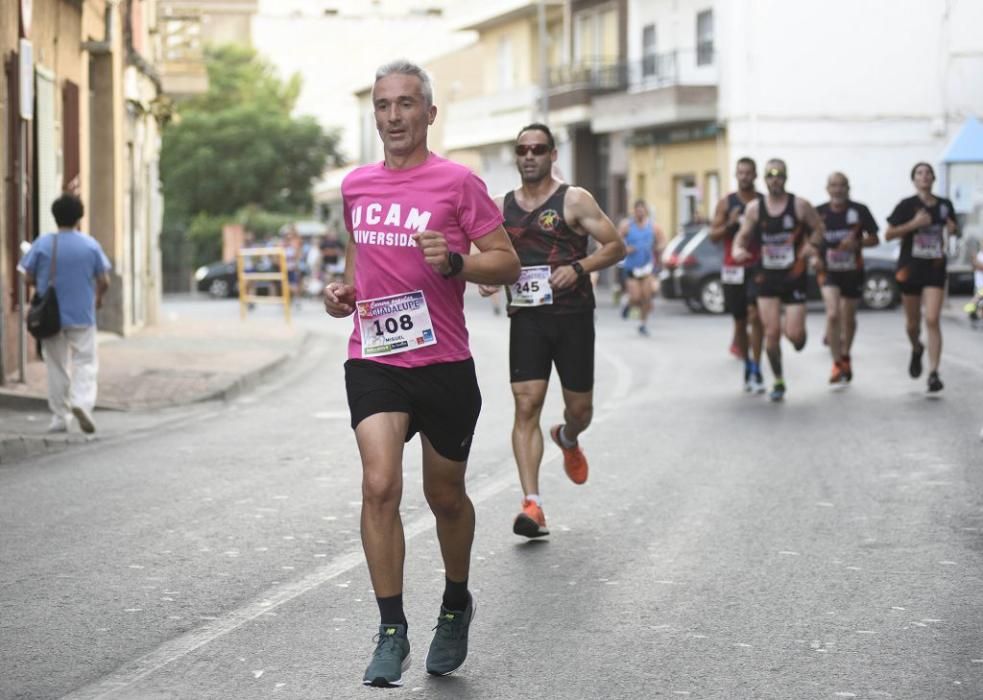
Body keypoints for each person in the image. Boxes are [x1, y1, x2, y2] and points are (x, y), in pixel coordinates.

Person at [322, 59, 519, 688]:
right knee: (380, 486)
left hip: (444, 366)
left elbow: (508, 264)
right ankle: (390, 629)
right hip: (375, 356)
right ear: (374, 115)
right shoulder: (356, 186)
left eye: (407, 104)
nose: (394, 116)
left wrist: (458, 262)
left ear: (428, 113)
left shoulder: (459, 183)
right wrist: (342, 293)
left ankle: (456, 603)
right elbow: (357, 263)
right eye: (383, 105)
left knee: (445, 498)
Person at [478, 122, 625, 539]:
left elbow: (615, 246)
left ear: (552, 154)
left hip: (573, 317)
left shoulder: (574, 199)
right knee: (526, 406)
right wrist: (486, 275)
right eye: (522, 148)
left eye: (538, 148)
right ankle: (532, 505)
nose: (529, 155)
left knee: (581, 411)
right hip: (527, 317)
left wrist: (578, 267)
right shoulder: (499, 206)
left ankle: (567, 436)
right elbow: (481, 250)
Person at [732, 159, 825, 401]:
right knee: (771, 334)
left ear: (785, 178)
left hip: (793, 275)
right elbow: (741, 238)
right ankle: (779, 380)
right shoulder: (754, 208)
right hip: (766, 277)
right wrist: (738, 250)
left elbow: (819, 228)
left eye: (779, 175)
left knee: (794, 336)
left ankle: (797, 335)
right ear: (764, 179)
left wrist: (812, 245)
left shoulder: (800, 205)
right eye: (770, 175)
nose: (775, 179)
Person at [19, 194, 111, 434]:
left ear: (55, 216)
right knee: (86, 362)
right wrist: (97, 298)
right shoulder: (90, 245)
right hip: (82, 313)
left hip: (51, 316)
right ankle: (82, 402)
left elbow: (28, 276)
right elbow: (104, 280)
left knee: (56, 365)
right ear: (79, 217)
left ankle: (60, 416)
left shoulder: (43, 243)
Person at [884, 162, 959, 394]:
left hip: (935, 267)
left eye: (928, 173)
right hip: (910, 269)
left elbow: (954, 229)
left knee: (933, 319)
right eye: (919, 173)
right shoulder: (906, 205)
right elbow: (888, 234)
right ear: (914, 180)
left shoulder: (945, 205)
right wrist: (914, 224)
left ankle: (933, 373)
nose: (924, 176)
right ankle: (917, 348)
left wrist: (952, 229)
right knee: (912, 324)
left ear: (933, 178)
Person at [815, 172, 880, 385]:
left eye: (842, 185)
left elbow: (875, 238)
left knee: (848, 318)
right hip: (828, 271)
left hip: (853, 270)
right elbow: (809, 242)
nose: (837, 189)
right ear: (827, 188)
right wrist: (813, 258)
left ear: (848, 188)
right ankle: (836, 363)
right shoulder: (819, 213)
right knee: (833, 314)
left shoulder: (859, 211)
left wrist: (858, 244)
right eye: (833, 185)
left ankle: (846, 355)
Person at [710, 157, 765, 393]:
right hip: (733, 268)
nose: (744, 176)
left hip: (758, 266)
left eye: (748, 173)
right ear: (736, 174)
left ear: (755, 175)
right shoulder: (726, 203)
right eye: (740, 172)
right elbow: (713, 236)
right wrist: (730, 224)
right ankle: (747, 365)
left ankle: (757, 366)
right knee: (740, 321)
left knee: (756, 316)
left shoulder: (764, 202)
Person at [618, 200, 656, 335]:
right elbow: (617, 241)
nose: (640, 212)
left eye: (642, 210)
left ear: (646, 211)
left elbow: (662, 241)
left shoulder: (652, 226)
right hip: (631, 267)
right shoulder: (627, 226)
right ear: (634, 211)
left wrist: (658, 248)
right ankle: (627, 303)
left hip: (646, 267)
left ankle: (643, 324)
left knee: (647, 297)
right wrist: (626, 249)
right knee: (636, 298)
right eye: (637, 210)